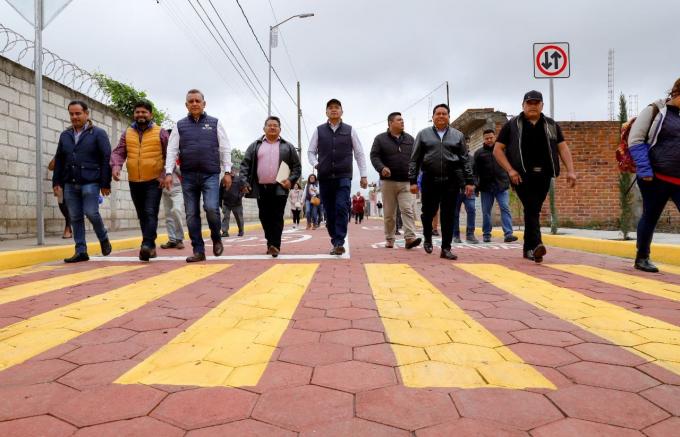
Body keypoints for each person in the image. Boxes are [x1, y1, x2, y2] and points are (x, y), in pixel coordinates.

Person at [494, 90, 576, 263]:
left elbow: (562, 148)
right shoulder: (512, 125)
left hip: (544, 174)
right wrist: (510, 170)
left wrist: (571, 170)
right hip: (521, 175)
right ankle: (537, 244)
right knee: (531, 207)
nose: (532, 106)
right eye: (529, 103)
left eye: (536, 103)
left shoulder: (551, 125)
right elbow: (497, 150)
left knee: (533, 210)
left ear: (542, 105)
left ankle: (527, 249)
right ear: (523, 105)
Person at [164, 89, 232, 262]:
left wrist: (227, 172)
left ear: (204, 103)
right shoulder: (179, 126)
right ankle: (198, 250)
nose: (194, 103)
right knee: (191, 214)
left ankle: (216, 238)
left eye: (197, 101)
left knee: (211, 208)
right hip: (188, 176)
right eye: (191, 101)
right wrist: (169, 172)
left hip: (210, 174)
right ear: (186, 105)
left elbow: (225, 148)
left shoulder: (215, 123)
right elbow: (172, 150)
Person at [409, 103, 474, 260]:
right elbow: (414, 159)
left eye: (444, 113)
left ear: (448, 117)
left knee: (448, 215)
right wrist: (412, 180)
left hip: (451, 181)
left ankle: (446, 248)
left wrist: (469, 181)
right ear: (433, 117)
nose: (441, 116)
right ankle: (428, 238)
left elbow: (465, 160)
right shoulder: (423, 134)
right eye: (438, 113)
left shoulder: (458, 136)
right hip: (430, 179)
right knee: (428, 212)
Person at [629, 78, 680, 273]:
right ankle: (642, 257)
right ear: (676, 92)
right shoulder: (656, 110)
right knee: (650, 215)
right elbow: (636, 139)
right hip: (655, 177)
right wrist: (644, 169)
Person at [52, 100, 112, 263]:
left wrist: (105, 183)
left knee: (91, 212)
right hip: (69, 182)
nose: (74, 117)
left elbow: (106, 158)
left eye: (78, 113)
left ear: (86, 114)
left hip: (91, 181)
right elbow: (60, 158)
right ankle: (81, 250)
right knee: (75, 217)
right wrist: (56, 182)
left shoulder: (98, 133)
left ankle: (103, 237)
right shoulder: (65, 135)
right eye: (71, 114)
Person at [308, 99, 368, 255]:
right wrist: (316, 164)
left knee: (341, 206)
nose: (334, 110)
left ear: (342, 112)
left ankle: (339, 241)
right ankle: (335, 239)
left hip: (343, 176)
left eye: (337, 108)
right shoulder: (319, 130)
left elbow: (359, 153)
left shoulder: (350, 130)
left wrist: (363, 175)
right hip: (325, 177)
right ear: (326, 112)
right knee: (329, 210)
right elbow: (310, 151)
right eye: (330, 108)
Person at [111, 100, 169, 261]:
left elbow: (170, 156)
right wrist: (116, 166)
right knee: (142, 214)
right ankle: (150, 246)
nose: (140, 115)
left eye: (144, 112)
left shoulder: (161, 132)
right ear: (134, 114)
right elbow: (119, 152)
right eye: (138, 112)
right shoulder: (128, 133)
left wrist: (165, 174)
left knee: (150, 212)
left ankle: (147, 244)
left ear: (150, 114)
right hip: (134, 180)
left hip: (154, 180)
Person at [240, 116, 301, 257]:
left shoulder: (288, 146)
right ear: (264, 128)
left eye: (275, 125)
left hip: (280, 188)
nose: (272, 127)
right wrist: (245, 182)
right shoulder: (255, 145)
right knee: (264, 216)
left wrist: (290, 180)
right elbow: (245, 165)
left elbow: (297, 167)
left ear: (280, 129)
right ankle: (270, 242)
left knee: (277, 216)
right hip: (261, 188)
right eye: (269, 125)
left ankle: (275, 245)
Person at [370, 111, 421, 249]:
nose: (402, 121)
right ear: (390, 123)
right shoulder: (380, 139)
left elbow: (416, 159)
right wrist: (381, 168)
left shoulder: (410, 139)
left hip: (406, 182)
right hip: (388, 182)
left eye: (403, 119)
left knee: (407, 210)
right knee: (389, 213)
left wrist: (414, 180)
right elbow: (374, 156)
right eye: (399, 120)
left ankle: (410, 238)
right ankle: (390, 238)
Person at [474, 128, 517, 243]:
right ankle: (487, 234)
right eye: (486, 138)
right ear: (484, 139)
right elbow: (475, 172)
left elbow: (510, 167)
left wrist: (512, 183)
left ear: (495, 137)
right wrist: (476, 187)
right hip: (485, 187)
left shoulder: (503, 150)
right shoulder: (479, 153)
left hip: (501, 185)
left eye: (491, 138)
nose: (489, 140)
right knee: (486, 211)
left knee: (505, 208)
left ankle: (508, 234)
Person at [453, 152, 479, 244]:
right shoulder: (452, 157)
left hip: (469, 189)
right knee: (455, 212)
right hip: (455, 189)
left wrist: (475, 185)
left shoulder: (471, 158)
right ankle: (455, 235)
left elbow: (476, 174)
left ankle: (470, 235)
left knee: (471, 209)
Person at [160, 154, 185, 250]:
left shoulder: (179, 156)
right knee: (168, 215)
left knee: (176, 210)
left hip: (177, 188)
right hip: (165, 188)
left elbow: (184, 173)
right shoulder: (162, 156)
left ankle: (179, 239)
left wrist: (174, 167)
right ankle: (172, 240)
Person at [48, 157, 72, 239]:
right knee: (62, 206)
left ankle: (68, 229)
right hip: (60, 184)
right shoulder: (60, 154)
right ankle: (70, 227)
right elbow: (50, 167)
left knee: (67, 206)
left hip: (71, 184)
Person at [220, 168, 245, 238]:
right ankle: (225, 232)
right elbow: (220, 190)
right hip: (226, 203)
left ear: (235, 171)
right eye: (230, 171)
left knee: (239, 218)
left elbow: (243, 190)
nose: (232, 172)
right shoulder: (224, 179)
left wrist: (239, 197)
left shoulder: (239, 179)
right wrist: (220, 201)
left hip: (237, 203)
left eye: (233, 170)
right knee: (226, 217)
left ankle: (241, 230)